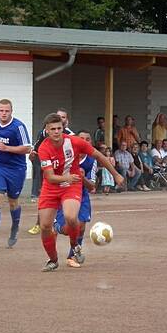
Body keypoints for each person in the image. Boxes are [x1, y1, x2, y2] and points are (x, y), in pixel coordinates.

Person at [37, 113, 123, 271]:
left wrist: (116, 174)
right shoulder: (43, 148)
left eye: (59, 128)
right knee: (45, 226)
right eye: (53, 129)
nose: (56, 131)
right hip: (51, 188)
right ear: (47, 131)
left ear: (63, 128)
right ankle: (53, 259)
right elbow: (49, 177)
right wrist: (66, 177)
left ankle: (75, 246)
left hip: (71, 185)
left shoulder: (75, 142)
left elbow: (98, 155)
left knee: (71, 217)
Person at [0, 98, 31, 250]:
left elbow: (27, 148)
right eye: (1, 111)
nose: (3, 113)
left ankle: (15, 227)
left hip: (16, 169)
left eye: (7, 111)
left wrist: (7, 148)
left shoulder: (18, 127)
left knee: (13, 201)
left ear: (11, 112)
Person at [53, 130, 97, 266]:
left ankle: (71, 256)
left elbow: (92, 187)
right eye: (81, 138)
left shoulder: (91, 161)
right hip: (64, 194)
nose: (84, 141)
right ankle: (56, 227)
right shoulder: (65, 156)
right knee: (67, 229)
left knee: (81, 226)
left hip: (82, 195)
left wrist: (82, 178)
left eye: (87, 139)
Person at [27, 108, 74, 234]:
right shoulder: (44, 133)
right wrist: (33, 156)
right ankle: (40, 223)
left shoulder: (71, 135)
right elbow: (36, 149)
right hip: (49, 167)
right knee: (45, 195)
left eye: (63, 117)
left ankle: (64, 223)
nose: (60, 120)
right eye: (59, 117)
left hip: (65, 170)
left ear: (66, 121)